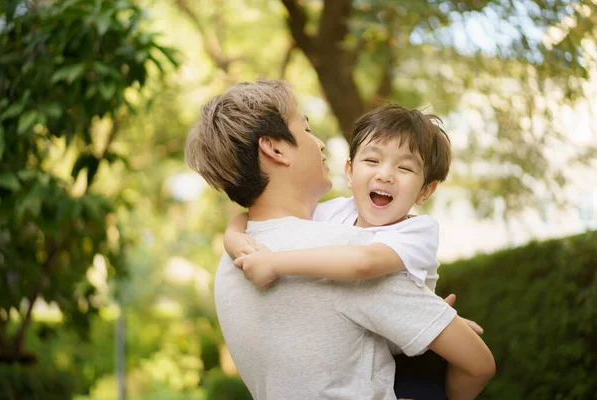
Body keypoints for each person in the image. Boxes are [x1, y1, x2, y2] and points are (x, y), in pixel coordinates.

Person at [185, 79, 495, 400]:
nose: (320, 143)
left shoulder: (230, 263)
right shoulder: (345, 250)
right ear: (275, 148)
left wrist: (233, 237)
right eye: (306, 129)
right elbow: (479, 365)